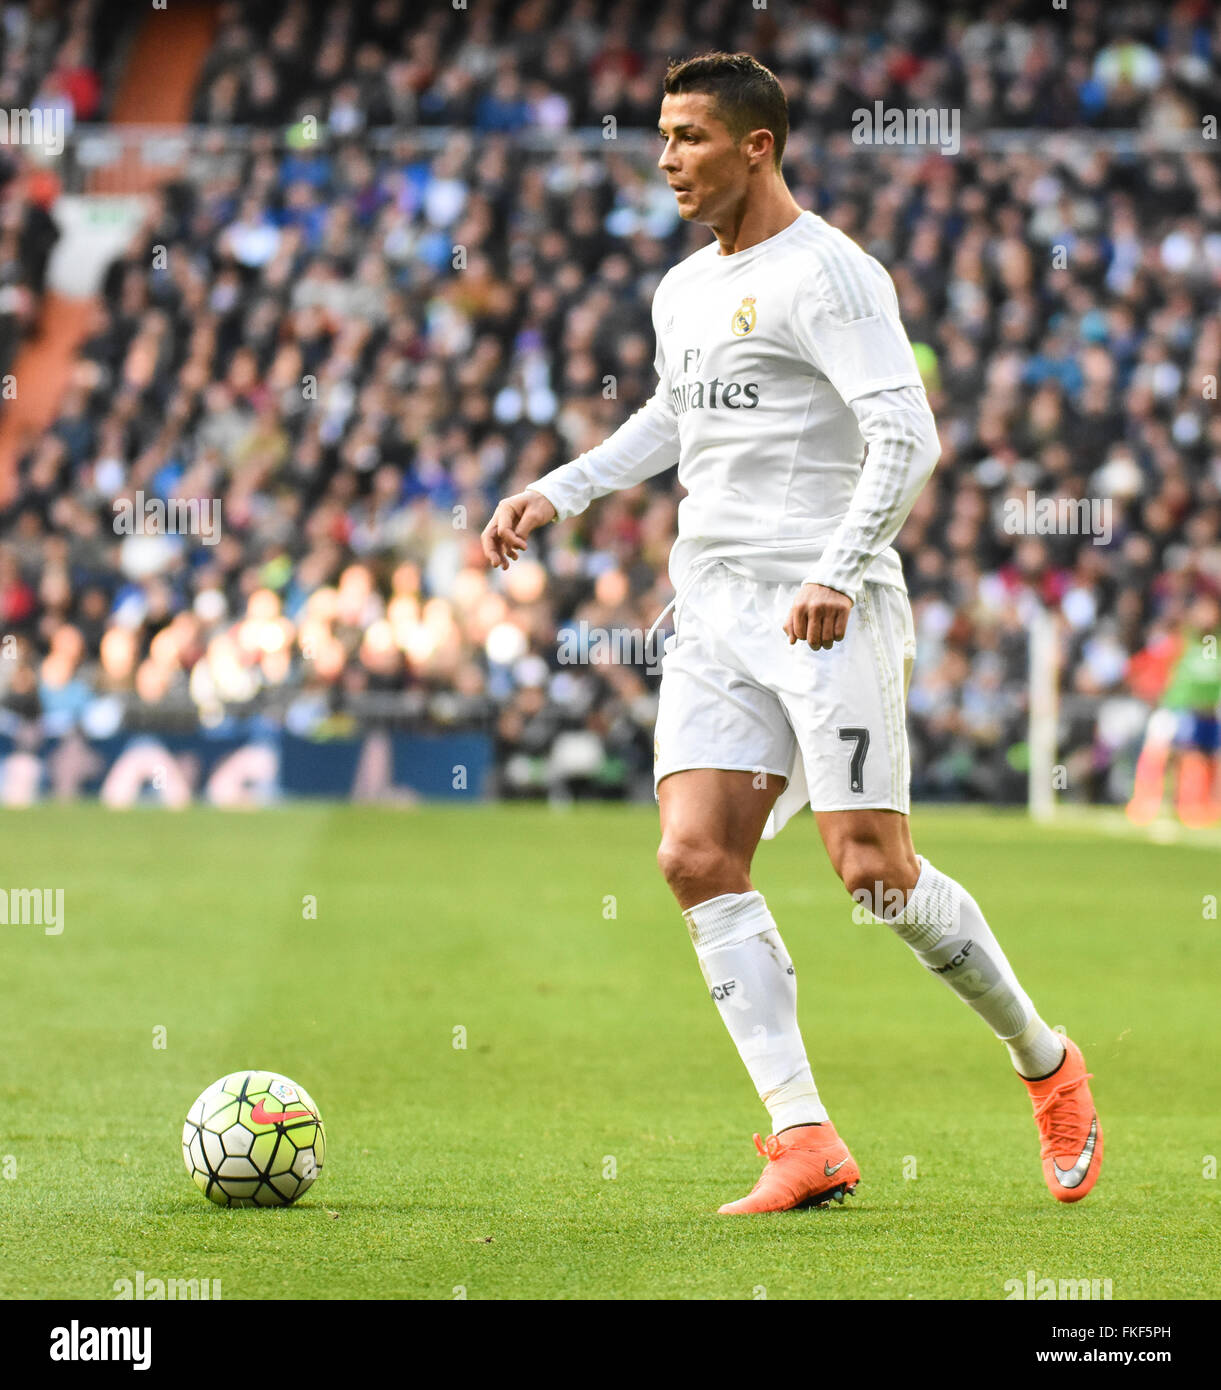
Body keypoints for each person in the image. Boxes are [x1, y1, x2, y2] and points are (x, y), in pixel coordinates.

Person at [481, 52, 1102, 1212]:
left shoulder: (833, 275)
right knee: (693, 855)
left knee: (872, 875)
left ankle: (1045, 1060)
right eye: (662, 135)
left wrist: (838, 567)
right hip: (713, 609)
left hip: (827, 609)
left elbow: (906, 435)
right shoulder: (682, 287)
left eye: (691, 137)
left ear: (756, 146)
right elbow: (679, 411)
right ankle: (804, 1134)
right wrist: (558, 490)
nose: (667, 158)